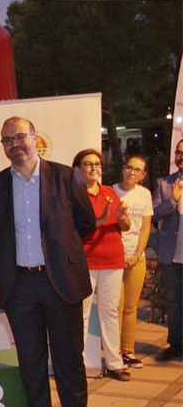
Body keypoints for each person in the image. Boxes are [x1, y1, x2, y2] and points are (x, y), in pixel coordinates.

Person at [0, 117, 107, 407]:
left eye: (20, 137)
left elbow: (85, 223)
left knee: (69, 360)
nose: (14, 145)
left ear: (35, 138)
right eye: (7, 140)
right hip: (20, 285)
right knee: (31, 361)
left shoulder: (66, 177)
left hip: (60, 283)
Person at [72, 149, 131, 381]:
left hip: (113, 259)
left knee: (109, 312)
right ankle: (78, 365)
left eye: (97, 164)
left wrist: (123, 217)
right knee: (82, 313)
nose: (94, 168)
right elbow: (76, 229)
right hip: (85, 261)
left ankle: (115, 363)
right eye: (88, 164)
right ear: (77, 169)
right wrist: (102, 217)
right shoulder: (73, 195)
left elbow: (124, 226)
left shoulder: (109, 192)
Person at [113, 155, 153, 368]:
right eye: (129, 168)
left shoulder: (144, 194)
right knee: (116, 307)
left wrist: (137, 254)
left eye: (137, 170)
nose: (132, 173)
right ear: (123, 169)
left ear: (143, 175)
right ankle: (115, 353)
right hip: (114, 258)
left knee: (130, 307)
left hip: (136, 257)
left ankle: (128, 351)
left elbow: (145, 228)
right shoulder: (111, 191)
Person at [152, 139, 183, 362]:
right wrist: (172, 201)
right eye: (179, 152)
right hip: (171, 255)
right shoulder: (164, 183)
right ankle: (175, 344)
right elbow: (153, 213)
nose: (182, 156)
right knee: (174, 302)